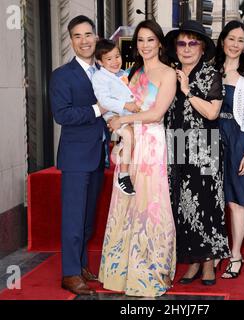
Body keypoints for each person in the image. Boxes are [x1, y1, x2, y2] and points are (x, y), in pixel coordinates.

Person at [98, 20, 177, 297]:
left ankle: (151, 273)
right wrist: (120, 134)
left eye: (150, 40)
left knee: (151, 204)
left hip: (153, 144)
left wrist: (124, 119)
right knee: (127, 205)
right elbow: (117, 103)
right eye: (140, 40)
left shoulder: (168, 74)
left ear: (159, 43)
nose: (144, 45)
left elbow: (156, 114)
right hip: (131, 142)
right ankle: (122, 273)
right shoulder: (133, 72)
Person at [164, 20, 230, 286]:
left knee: (207, 203)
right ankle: (191, 261)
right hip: (176, 143)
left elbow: (213, 113)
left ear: (202, 48)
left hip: (205, 144)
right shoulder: (170, 72)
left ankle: (208, 263)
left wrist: (188, 91)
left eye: (193, 43)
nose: (187, 48)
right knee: (181, 205)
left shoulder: (211, 74)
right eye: (182, 43)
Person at [49, 15, 109, 295]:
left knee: (87, 218)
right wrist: (99, 109)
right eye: (77, 36)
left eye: (88, 35)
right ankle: (70, 273)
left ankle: (82, 264)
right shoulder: (62, 75)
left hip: (98, 155)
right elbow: (62, 115)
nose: (84, 41)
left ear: (96, 37)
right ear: (71, 41)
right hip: (75, 158)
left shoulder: (103, 71)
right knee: (74, 216)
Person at [215, 20, 244, 278]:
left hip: (237, 141)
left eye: (240, 40)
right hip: (210, 139)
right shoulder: (210, 70)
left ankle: (236, 255)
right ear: (223, 40)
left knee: (235, 202)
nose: (235, 44)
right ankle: (212, 252)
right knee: (212, 199)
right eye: (231, 38)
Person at [92, 39, 141, 195]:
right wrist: (126, 106)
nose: (115, 61)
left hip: (129, 115)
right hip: (113, 116)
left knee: (136, 137)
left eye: (117, 56)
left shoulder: (123, 74)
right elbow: (105, 100)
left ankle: (121, 153)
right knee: (128, 134)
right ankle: (123, 175)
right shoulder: (99, 77)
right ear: (100, 62)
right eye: (109, 58)